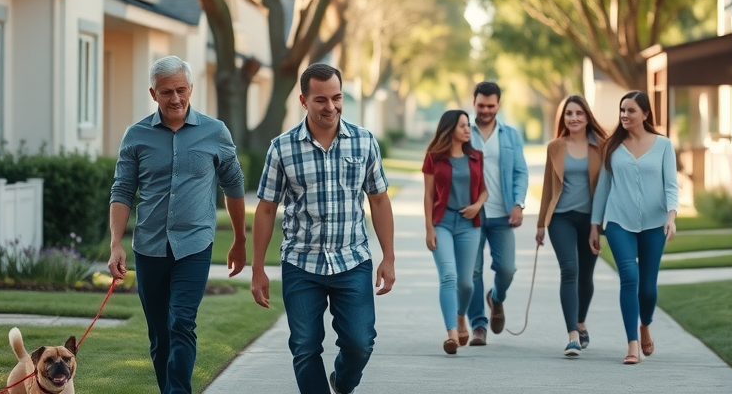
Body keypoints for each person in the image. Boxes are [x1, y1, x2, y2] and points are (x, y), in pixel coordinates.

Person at [249, 63, 395, 394]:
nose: (331, 107)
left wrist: (388, 257)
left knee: (360, 343)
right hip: (302, 262)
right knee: (304, 347)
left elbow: (380, 201)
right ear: (303, 100)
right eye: (320, 100)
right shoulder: (282, 148)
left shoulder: (364, 142)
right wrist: (257, 268)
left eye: (337, 97)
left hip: (352, 260)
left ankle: (341, 383)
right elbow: (267, 209)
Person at [107, 55, 247, 394]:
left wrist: (240, 239)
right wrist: (115, 244)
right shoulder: (136, 136)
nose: (176, 99)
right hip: (149, 246)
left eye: (181, 90)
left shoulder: (215, 132)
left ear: (191, 89)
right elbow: (122, 190)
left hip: (194, 245)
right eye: (166, 92)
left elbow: (234, 184)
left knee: (182, 323)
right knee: (160, 334)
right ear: (153, 94)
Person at [589, 90, 678, 365]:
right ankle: (632, 344)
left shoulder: (663, 145)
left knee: (648, 289)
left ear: (645, 114)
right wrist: (595, 225)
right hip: (619, 221)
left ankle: (645, 324)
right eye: (622, 110)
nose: (624, 115)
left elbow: (671, 185)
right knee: (629, 278)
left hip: (654, 223)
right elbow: (602, 189)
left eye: (630, 111)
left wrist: (671, 217)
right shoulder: (612, 147)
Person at [536, 95, 608, 357]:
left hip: (591, 220)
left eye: (579, 113)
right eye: (569, 113)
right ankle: (573, 336)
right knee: (570, 270)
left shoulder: (601, 146)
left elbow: (607, 186)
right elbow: (547, 187)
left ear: (588, 117)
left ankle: (580, 321)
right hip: (561, 218)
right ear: (563, 118)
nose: (574, 118)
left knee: (586, 277)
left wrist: (597, 224)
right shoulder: (555, 147)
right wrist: (541, 224)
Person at [467, 81, 529, 346]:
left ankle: (497, 298)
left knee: (506, 269)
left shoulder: (511, 135)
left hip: (503, 215)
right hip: (470, 215)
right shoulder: (463, 131)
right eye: (481, 105)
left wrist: (518, 203)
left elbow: (520, 172)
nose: (485, 110)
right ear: (474, 103)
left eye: (491, 105)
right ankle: (478, 326)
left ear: (499, 105)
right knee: (473, 272)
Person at [422, 110, 488, 355]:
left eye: (468, 125)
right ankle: (451, 333)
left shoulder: (475, 156)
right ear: (450, 129)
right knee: (448, 276)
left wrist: (477, 206)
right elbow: (428, 195)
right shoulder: (434, 157)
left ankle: (462, 317)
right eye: (462, 125)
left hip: (469, 224)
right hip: (443, 222)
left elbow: (484, 190)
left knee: (466, 283)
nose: (468, 129)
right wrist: (429, 228)